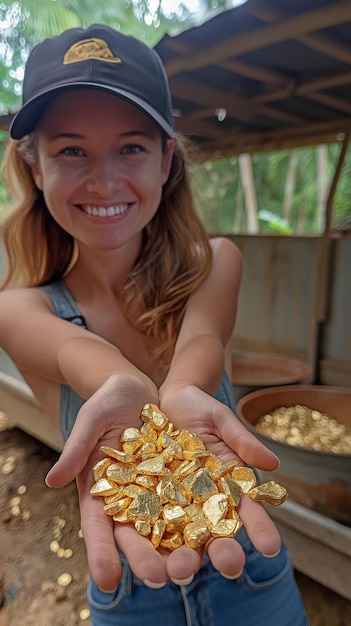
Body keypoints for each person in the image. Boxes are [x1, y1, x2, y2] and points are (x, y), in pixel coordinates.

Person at [0, 24, 308, 625]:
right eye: (71, 151)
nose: (105, 180)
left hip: (249, 571)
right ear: (34, 167)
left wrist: (179, 392)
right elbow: (74, 352)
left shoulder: (215, 262)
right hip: (127, 586)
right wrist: (125, 384)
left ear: (167, 159)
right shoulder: (18, 308)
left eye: (132, 148)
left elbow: (200, 340)